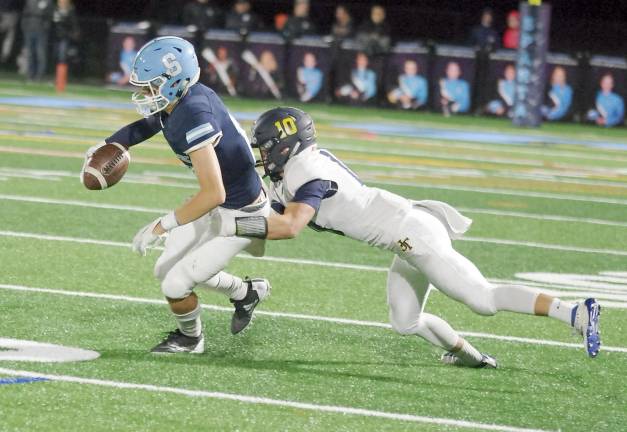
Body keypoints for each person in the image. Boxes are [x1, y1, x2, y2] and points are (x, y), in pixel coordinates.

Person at [213, 106, 602, 367]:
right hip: (402, 238)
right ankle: (469, 357)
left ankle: (574, 314)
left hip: (412, 233)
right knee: (405, 321)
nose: (262, 155)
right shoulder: (294, 171)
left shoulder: (306, 171)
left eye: (266, 147)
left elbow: (291, 227)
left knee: (482, 299)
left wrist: (231, 226)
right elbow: (272, 220)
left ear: (285, 145)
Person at [81, 36, 271, 353]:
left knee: (175, 283)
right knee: (165, 269)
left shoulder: (194, 113)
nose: (144, 93)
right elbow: (149, 124)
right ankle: (246, 292)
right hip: (224, 203)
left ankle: (190, 339)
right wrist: (109, 144)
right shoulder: (179, 100)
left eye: (151, 86)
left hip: (244, 215)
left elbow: (212, 191)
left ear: (174, 80)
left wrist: (162, 225)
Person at [21, 0, 54, 81]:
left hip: (41, 32)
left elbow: (50, 16)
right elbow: (25, 14)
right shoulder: (30, 1)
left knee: (41, 54)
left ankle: (39, 76)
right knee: (30, 54)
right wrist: (24, 26)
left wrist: (45, 27)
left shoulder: (48, 2)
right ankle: (30, 75)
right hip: (29, 30)